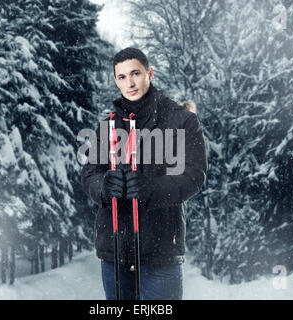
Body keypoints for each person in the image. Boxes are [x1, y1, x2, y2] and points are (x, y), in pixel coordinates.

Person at [81, 47, 207, 300]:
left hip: (161, 249)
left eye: (135, 73)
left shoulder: (182, 120)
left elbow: (195, 175)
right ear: (116, 81)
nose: (130, 82)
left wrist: (153, 188)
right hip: (115, 248)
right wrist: (103, 187)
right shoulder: (108, 125)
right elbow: (90, 174)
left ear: (149, 73)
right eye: (122, 77)